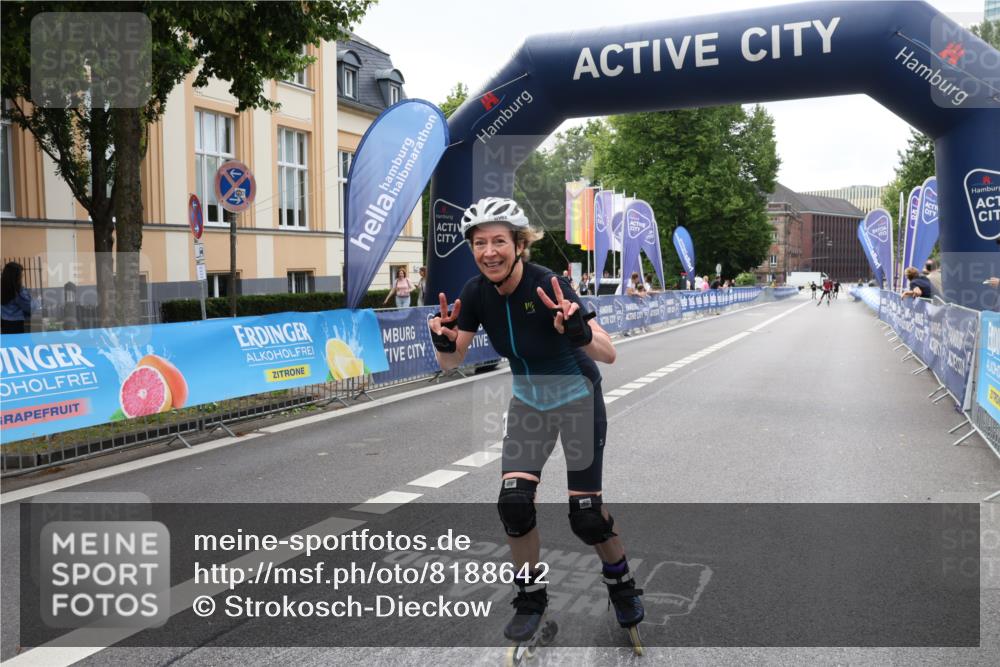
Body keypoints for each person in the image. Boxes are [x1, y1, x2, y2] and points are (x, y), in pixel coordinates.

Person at [427, 197, 644, 646]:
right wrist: (443, 341)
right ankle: (530, 598)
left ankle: (621, 585)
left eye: (499, 242)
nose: (489, 251)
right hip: (529, 404)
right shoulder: (475, 293)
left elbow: (609, 352)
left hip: (577, 400)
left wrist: (579, 331)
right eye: (480, 243)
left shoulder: (551, 284)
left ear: (519, 244)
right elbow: (452, 362)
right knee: (514, 504)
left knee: (586, 516)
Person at [1, 262, 36, 334]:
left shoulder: (2, 288)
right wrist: (36, 301)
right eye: (21, 275)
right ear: (16, 276)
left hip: (3, 322)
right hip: (17, 323)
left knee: (8, 343)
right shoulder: (18, 291)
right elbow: (29, 307)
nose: (22, 277)